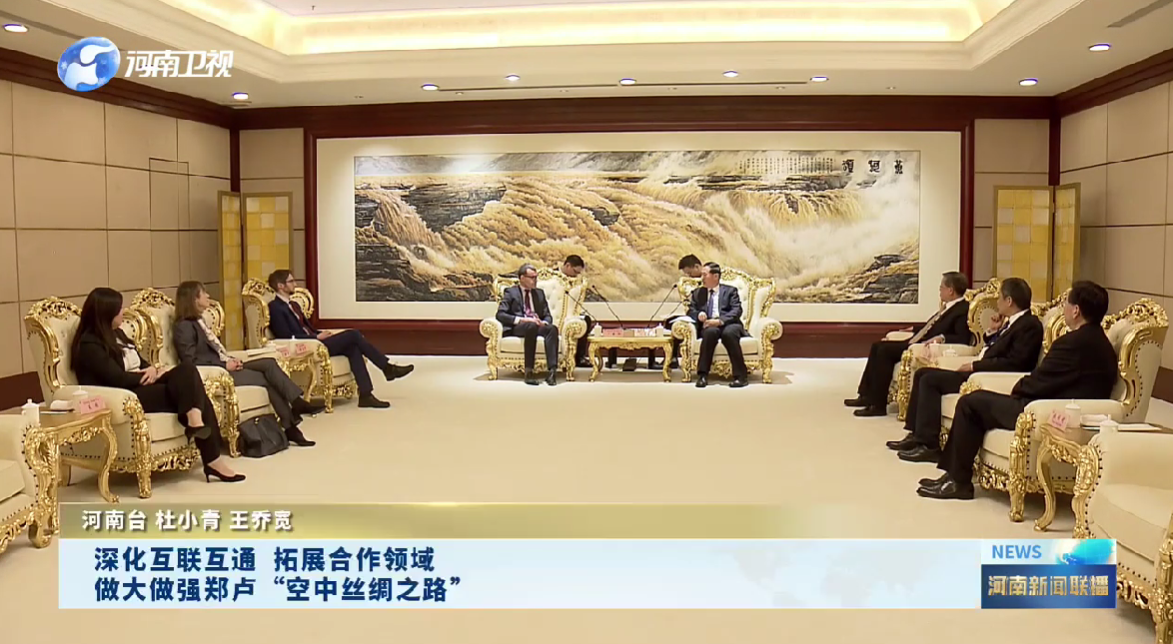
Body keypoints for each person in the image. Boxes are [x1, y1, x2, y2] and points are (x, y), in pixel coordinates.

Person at [919, 281, 1118, 501]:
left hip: (1044, 411)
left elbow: (1040, 381)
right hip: (1059, 407)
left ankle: (958, 481)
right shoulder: (1102, 343)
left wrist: (1018, 387)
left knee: (970, 403)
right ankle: (953, 476)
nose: (1064, 309)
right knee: (976, 402)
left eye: (1067, 305)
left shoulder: (1071, 343)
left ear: (1076, 310)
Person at [71, 287, 244, 483]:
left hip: (143, 382)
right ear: (106, 313)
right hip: (128, 394)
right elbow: (115, 377)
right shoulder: (90, 345)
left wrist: (153, 370)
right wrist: (144, 376)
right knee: (198, 396)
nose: (123, 311)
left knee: (187, 370)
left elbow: (141, 362)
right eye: (119, 309)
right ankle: (212, 458)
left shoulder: (117, 333)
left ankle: (195, 421)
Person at [888, 277, 1044, 463]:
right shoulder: (1011, 322)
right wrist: (993, 331)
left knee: (930, 380)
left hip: (986, 376)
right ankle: (917, 436)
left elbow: (1015, 363)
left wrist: (974, 366)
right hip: (979, 369)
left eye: (1000, 298)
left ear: (1009, 301)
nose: (997, 302)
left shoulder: (1029, 325)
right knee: (923, 373)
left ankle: (928, 445)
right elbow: (996, 348)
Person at [173, 281, 323, 448]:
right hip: (216, 373)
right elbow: (190, 361)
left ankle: (296, 404)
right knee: (266, 380)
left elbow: (215, 350)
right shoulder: (183, 327)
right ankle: (291, 426)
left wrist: (230, 359)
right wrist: (224, 365)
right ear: (194, 299)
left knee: (269, 364)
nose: (208, 296)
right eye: (203, 293)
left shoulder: (199, 321)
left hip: (226, 363)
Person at [267, 270, 413, 409]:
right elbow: (285, 335)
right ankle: (387, 368)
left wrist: (320, 333)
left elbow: (307, 327)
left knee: (353, 348)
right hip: (306, 345)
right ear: (281, 286)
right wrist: (315, 337)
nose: (295, 284)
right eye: (291, 281)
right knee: (353, 334)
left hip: (316, 340)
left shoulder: (294, 305)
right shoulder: (275, 308)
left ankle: (366, 395)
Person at [846, 271, 972, 417]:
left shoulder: (962, 309)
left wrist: (941, 338)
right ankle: (866, 395)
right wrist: (913, 328)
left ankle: (877, 405)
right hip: (916, 340)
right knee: (877, 346)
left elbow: (961, 337)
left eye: (941, 288)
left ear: (950, 290)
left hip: (921, 346)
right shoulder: (947, 307)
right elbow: (932, 326)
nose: (939, 291)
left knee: (884, 351)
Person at [687, 262, 749, 388]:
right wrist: (699, 314)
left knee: (729, 334)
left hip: (729, 323)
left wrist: (720, 321)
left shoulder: (730, 291)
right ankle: (702, 375)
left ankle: (741, 376)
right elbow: (691, 310)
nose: (702, 278)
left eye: (705, 275)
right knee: (710, 333)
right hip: (709, 325)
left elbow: (736, 310)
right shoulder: (698, 293)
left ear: (715, 276)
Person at [497, 263, 560, 386]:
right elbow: (500, 314)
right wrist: (522, 320)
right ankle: (529, 371)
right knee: (531, 326)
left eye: (536, 277)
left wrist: (543, 322)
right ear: (522, 278)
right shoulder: (511, 292)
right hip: (519, 326)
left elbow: (548, 315)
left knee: (552, 329)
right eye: (532, 277)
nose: (535, 280)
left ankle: (552, 372)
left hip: (536, 324)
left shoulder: (539, 293)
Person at [559, 255, 596, 368]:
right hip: (556, 313)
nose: (576, 275)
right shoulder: (553, 277)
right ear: (567, 266)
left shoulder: (576, 281)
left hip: (570, 313)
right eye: (575, 272)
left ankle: (579, 357)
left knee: (586, 320)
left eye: (578, 273)